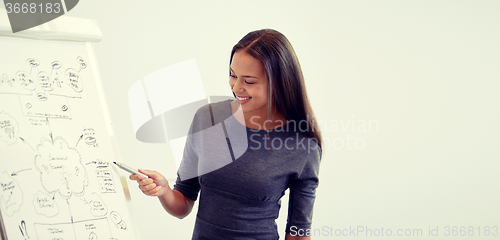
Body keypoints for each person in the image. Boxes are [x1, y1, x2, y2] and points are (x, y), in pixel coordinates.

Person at [130, 29, 322, 240]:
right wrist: (164, 190)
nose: (236, 87)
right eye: (232, 75)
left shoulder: (303, 146)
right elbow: (183, 203)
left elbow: (298, 232)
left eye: (249, 81)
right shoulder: (207, 118)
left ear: (279, 83)